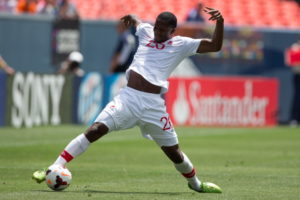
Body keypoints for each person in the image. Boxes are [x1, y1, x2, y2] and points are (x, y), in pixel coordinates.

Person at [33, 7, 224, 193]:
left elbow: (215, 45)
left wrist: (220, 23)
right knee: (96, 129)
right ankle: (53, 167)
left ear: (172, 31)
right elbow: (138, 22)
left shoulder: (182, 44)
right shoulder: (146, 31)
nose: (157, 30)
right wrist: (132, 17)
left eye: (162, 29)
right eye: (156, 26)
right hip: (129, 98)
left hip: (153, 105)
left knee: (174, 153)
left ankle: (196, 184)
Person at [286, 40, 300, 126]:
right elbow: (290, 61)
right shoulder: (295, 48)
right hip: (298, 75)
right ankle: (294, 118)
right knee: (297, 97)